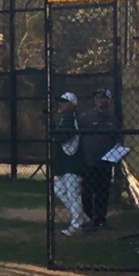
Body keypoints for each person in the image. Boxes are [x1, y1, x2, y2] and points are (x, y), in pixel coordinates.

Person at [80, 88, 121, 229]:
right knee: (87, 191)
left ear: (108, 100)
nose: (99, 100)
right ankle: (88, 219)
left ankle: (101, 219)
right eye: (97, 97)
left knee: (103, 192)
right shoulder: (87, 117)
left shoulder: (113, 119)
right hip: (89, 161)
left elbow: (117, 139)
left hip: (105, 163)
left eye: (102, 97)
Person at [53, 92, 88, 236]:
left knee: (73, 194)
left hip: (73, 163)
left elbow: (63, 136)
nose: (61, 104)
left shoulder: (71, 118)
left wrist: (53, 133)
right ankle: (81, 216)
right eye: (60, 101)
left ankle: (76, 225)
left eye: (64, 102)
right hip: (66, 164)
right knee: (58, 189)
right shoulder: (65, 118)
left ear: (73, 105)